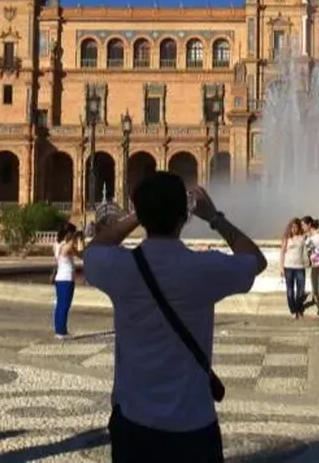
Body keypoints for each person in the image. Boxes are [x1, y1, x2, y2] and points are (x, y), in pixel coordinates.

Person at [84, 172, 266, 463]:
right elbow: (256, 260)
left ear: (142, 212)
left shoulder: (120, 267)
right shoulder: (201, 269)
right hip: (193, 426)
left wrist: (136, 217)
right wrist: (215, 218)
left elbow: (92, 251)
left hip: (134, 424)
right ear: (185, 216)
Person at [301, 216, 319, 319]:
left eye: (303, 225)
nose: (302, 227)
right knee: (315, 290)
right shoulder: (306, 237)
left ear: (309, 224)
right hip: (315, 265)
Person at [53, 222, 79, 339]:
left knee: (60, 305)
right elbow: (72, 250)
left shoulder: (57, 244)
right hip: (66, 278)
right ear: (68, 233)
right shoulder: (65, 246)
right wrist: (76, 238)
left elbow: (80, 254)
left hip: (60, 278)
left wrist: (79, 240)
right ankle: (61, 332)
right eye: (72, 233)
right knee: (64, 305)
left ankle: (59, 329)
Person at [280, 218, 307, 319]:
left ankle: (299, 309)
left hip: (300, 267)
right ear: (290, 228)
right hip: (288, 267)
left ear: (298, 227)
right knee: (290, 291)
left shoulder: (302, 238)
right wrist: (281, 267)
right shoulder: (286, 238)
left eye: (296, 227)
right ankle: (293, 310)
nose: (294, 229)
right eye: (292, 227)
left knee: (301, 291)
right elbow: (282, 252)